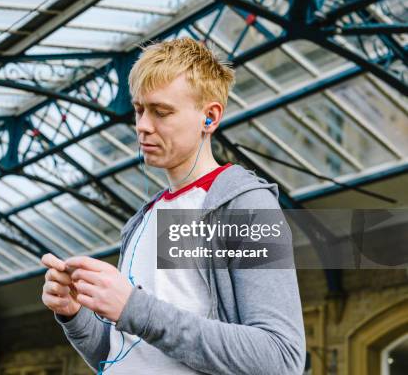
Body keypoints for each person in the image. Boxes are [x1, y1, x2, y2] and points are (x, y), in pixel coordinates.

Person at [41, 38, 306, 374]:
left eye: (161, 112)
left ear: (209, 118)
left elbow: (280, 358)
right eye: (139, 110)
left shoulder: (244, 206)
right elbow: (125, 357)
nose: (142, 126)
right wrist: (74, 313)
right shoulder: (144, 220)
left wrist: (134, 308)